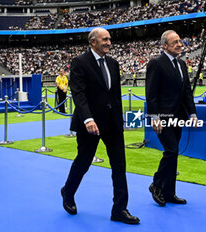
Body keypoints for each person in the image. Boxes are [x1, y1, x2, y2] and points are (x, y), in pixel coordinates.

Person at [61, 27, 140, 224]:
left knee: (119, 166)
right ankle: (68, 191)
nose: (108, 42)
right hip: (90, 124)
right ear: (93, 41)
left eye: (110, 39)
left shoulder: (113, 63)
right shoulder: (80, 62)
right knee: (84, 162)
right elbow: (78, 94)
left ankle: (119, 210)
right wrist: (88, 119)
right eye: (104, 39)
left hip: (112, 123)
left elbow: (114, 95)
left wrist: (120, 121)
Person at [145, 30, 198, 207]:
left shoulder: (182, 65)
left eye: (179, 41)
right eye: (174, 42)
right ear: (165, 45)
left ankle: (169, 193)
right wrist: (154, 117)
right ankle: (156, 184)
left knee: (173, 154)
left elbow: (187, 93)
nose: (179, 44)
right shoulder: (156, 63)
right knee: (171, 151)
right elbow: (151, 93)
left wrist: (192, 113)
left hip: (179, 117)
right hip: (162, 118)